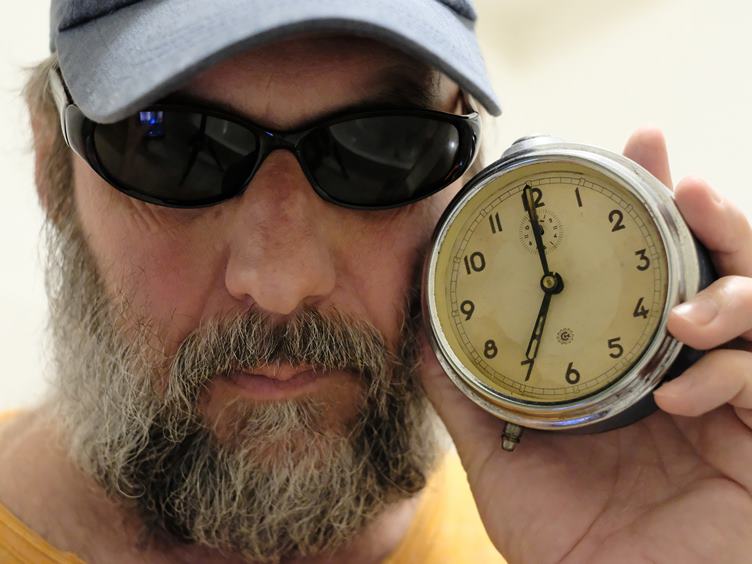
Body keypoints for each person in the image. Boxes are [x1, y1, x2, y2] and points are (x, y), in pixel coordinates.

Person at [1, 0, 751, 562]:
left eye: (381, 148)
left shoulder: (569, 528)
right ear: (50, 167)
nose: (282, 281)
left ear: (466, 172)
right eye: (175, 150)